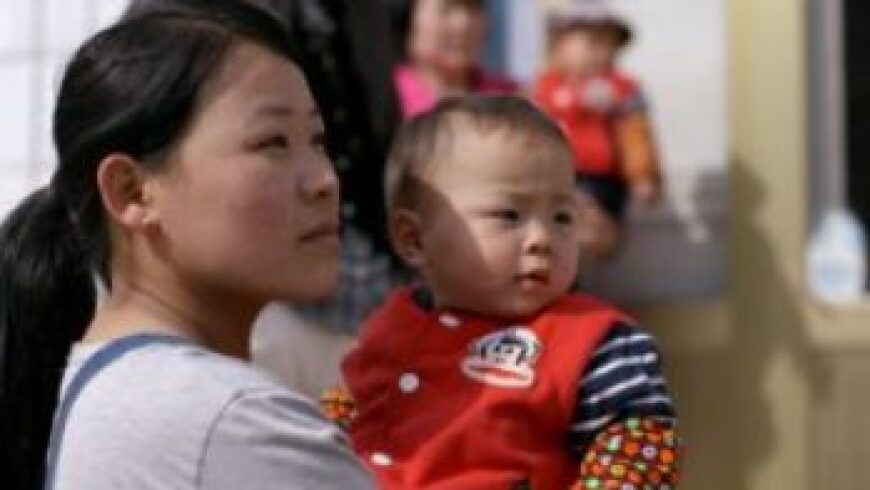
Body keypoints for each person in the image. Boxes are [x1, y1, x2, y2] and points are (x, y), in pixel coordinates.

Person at [0, 2, 374, 488]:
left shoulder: (104, 386)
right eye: (273, 143)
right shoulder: (231, 423)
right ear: (132, 192)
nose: (325, 180)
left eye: (319, 141)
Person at [326, 96, 680, 488]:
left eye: (562, 217)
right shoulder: (389, 328)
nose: (542, 239)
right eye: (509, 215)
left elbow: (639, 447)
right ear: (414, 239)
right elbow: (335, 422)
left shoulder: (593, 340)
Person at [533, 0, 663, 261]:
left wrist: (643, 176)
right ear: (558, 46)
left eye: (609, 46)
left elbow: (636, 136)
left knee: (593, 231)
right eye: (592, 43)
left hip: (605, 180)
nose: (601, 53)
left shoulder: (623, 89)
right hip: (558, 175)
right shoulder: (545, 87)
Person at [394, 0, 517, 119]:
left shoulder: (512, 101)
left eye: (473, 8)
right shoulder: (388, 98)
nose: (463, 24)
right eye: (447, 9)